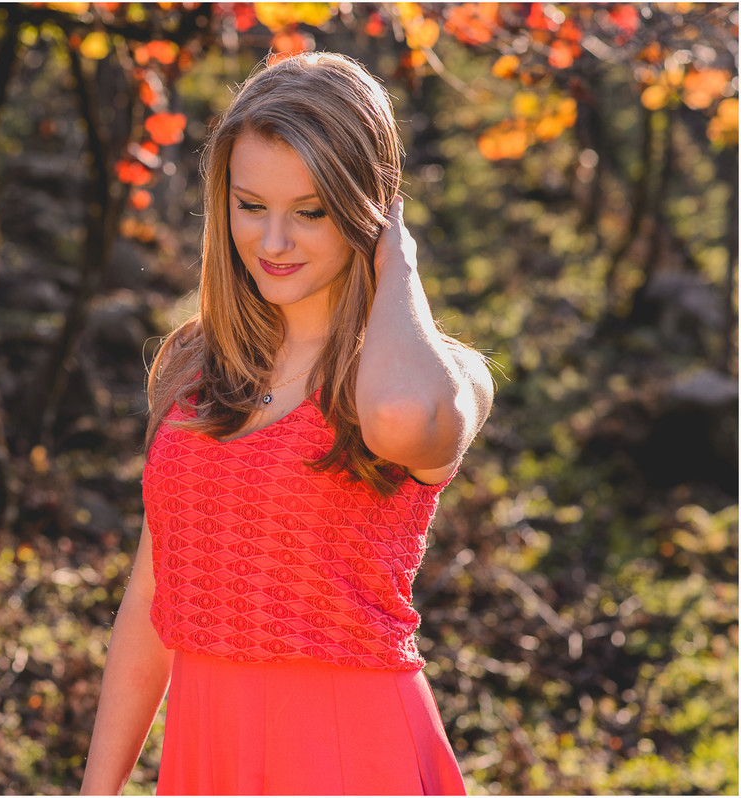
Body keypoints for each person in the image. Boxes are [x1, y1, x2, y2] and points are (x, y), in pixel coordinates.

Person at [80, 51, 494, 796]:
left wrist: (396, 263)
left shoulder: (442, 377)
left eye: (310, 212)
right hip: (209, 757)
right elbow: (152, 601)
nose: (272, 244)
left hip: (352, 759)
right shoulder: (197, 369)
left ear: (367, 207)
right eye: (250, 206)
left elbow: (401, 419)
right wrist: (96, 789)